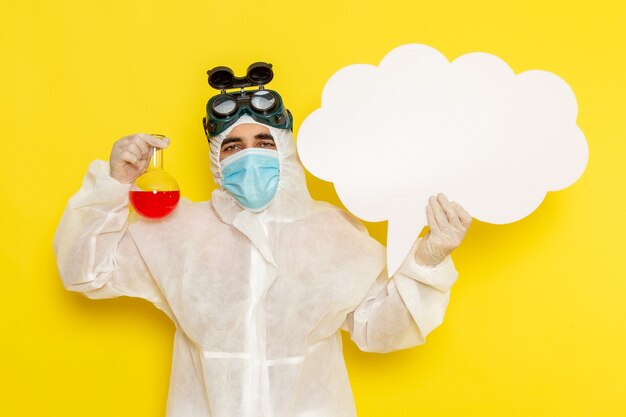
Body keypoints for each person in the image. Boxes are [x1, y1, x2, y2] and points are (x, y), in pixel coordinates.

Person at [54, 71, 471, 417]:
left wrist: (427, 260)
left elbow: (379, 331)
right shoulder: (181, 232)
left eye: (264, 143)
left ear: (287, 151)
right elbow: (86, 271)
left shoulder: (335, 233)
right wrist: (117, 182)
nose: (248, 157)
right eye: (232, 146)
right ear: (217, 160)